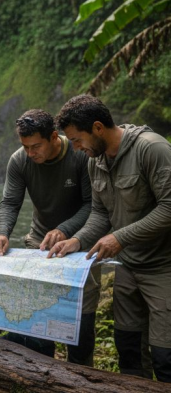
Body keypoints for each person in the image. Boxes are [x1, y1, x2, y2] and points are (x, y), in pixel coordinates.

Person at [49, 94, 171, 382]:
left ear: (98, 128)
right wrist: (76, 240)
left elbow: (169, 207)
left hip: (164, 268)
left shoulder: (152, 149)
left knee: (166, 357)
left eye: (78, 140)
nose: (76, 149)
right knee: (128, 349)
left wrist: (119, 237)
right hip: (128, 267)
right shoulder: (96, 160)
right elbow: (100, 214)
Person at [0, 109, 99, 365]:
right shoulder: (19, 161)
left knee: (81, 319)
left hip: (82, 242)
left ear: (53, 137)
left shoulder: (80, 156)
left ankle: (82, 375)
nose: (30, 153)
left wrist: (65, 229)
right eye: (25, 147)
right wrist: (2, 232)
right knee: (37, 318)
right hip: (40, 243)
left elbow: (92, 205)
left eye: (36, 146)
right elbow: (10, 202)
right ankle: (40, 375)